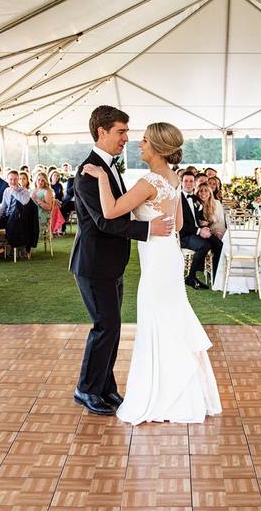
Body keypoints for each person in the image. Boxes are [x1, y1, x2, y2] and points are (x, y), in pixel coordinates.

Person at [80, 117, 220, 425]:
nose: (138, 143)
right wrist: (155, 224)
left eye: (144, 140)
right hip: (168, 255)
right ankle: (180, 391)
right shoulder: (171, 178)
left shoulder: (149, 181)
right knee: (170, 318)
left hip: (157, 262)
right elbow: (181, 226)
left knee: (156, 321)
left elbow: (110, 211)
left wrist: (103, 179)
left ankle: (159, 395)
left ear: (156, 147)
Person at [69, 106, 174, 417]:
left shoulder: (110, 167)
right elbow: (105, 221)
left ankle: (105, 388)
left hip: (110, 263)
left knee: (112, 328)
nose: (126, 138)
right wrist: (147, 228)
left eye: (127, 132)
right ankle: (86, 390)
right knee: (105, 327)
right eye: (121, 132)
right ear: (102, 132)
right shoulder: (89, 171)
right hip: (93, 264)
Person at [178, 171, 223, 288]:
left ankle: (215, 277)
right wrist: (199, 231)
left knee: (218, 244)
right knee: (204, 245)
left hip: (196, 231)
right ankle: (191, 277)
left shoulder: (195, 198)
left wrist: (204, 224)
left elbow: (197, 217)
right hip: (184, 235)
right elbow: (180, 224)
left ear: (194, 183)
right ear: (181, 183)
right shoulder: (177, 199)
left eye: (191, 181)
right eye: (186, 181)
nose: (188, 183)